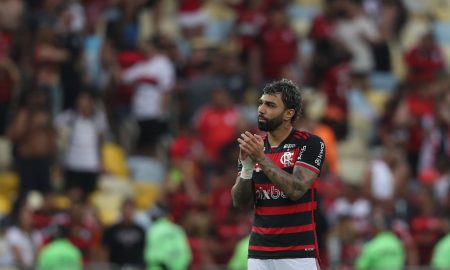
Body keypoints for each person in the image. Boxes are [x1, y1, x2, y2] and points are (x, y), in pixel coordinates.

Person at [231, 79, 326, 270]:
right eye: (261, 103)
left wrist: (261, 159)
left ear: (288, 114)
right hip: (259, 253)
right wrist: (248, 168)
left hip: (298, 254)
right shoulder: (255, 146)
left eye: (270, 105)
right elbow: (240, 202)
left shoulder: (310, 144)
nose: (261, 109)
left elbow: (297, 189)